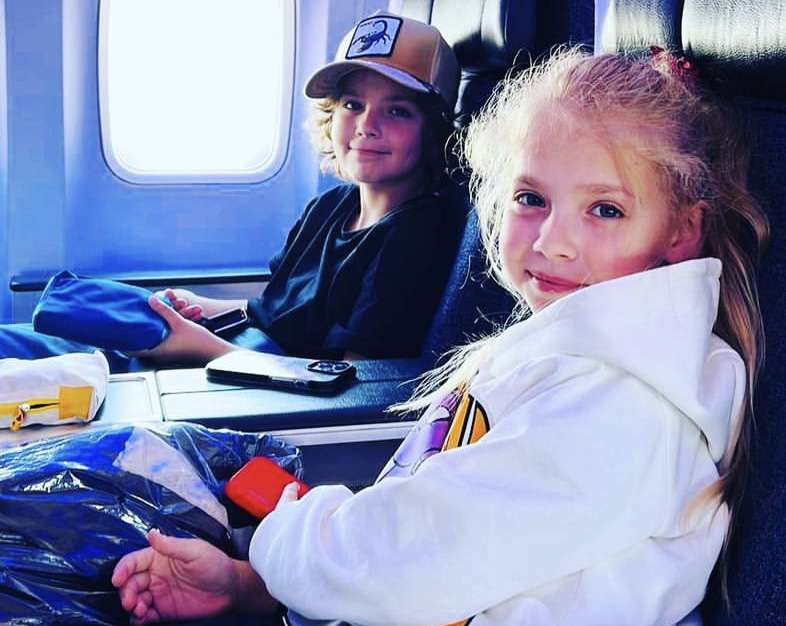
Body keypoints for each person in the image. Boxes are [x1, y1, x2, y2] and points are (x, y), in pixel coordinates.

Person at [109, 48, 769, 626]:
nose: (552, 241)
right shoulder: (573, 352)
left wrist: (278, 539)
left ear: (681, 231)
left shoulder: (624, 410)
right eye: (531, 198)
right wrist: (247, 586)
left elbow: (409, 559)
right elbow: (440, 544)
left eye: (605, 209)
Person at [0, 12, 461, 367]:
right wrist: (199, 306)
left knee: (59, 359)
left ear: (434, 131)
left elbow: (352, 384)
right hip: (242, 350)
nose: (366, 126)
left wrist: (199, 346)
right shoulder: (330, 207)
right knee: (31, 338)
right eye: (352, 104)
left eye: (397, 111)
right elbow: (277, 312)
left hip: (252, 380)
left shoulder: (414, 239)